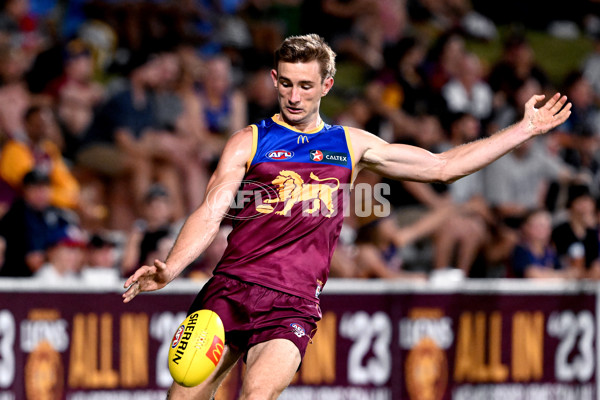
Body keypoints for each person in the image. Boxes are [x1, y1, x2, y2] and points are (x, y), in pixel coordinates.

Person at [122, 34, 571, 399]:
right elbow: (212, 208)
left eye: (305, 85)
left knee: (256, 394)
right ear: (274, 79)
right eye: (286, 84)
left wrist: (523, 129)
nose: (294, 96)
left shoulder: (351, 145)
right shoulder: (249, 140)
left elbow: (442, 168)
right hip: (229, 290)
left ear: (327, 85)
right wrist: (172, 268)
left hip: (291, 302)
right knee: (181, 398)